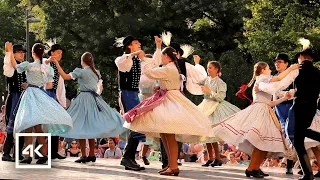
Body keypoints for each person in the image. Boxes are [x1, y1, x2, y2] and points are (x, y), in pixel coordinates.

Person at [123, 47, 214, 176]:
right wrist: (160, 86)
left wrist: (144, 59)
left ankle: (173, 166)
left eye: (162, 56)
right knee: (165, 135)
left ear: (167, 56)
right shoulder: (171, 68)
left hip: (170, 101)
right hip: (168, 98)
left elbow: (150, 73)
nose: (160, 58)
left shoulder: (169, 68)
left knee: (169, 136)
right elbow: (168, 81)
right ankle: (171, 165)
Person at [213, 61, 299, 178]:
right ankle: (251, 168)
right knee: (262, 143)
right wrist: (291, 69)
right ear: (263, 70)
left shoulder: (263, 82)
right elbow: (278, 80)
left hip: (265, 110)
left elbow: (270, 103)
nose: (270, 70)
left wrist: (284, 98)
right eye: (268, 68)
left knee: (264, 143)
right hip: (260, 112)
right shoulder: (262, 80)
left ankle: (254, 167)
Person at [256, 39, 320, 179]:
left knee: (295, 137)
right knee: (301, 134)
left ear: (300, 58)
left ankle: (308, 174)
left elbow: (280, 84)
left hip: (299, 107)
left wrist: (262, 86)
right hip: (311, 108)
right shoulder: (318, 72)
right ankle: (307, 174)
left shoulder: (297, 69)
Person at [51, 52, 126, 163]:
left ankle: (84, 155)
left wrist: (57, 64)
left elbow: (65, 76)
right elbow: (100, 87)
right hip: (94, 99)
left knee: (81, 126)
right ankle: (91, 155)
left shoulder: (80, 71)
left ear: (82, 61)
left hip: (83, 99)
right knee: (91, 127)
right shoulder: (96, 73)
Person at [6, 42, 73, 164]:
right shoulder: (48, 68)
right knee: (39, 127)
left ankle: (28, 155)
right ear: (43, 54)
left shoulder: (29, 65)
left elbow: (15, 66)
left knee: (28, 127)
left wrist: (10, 52)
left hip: (30, 94)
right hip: (41, 94)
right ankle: (42, 154)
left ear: (33, 53)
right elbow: (50, 84)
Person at [115, 35, 161, 171]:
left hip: (134, 94)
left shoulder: (137, 59)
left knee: (137, 125)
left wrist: (158, 47)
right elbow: (121, 62)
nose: (139, 43)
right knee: (135, 124)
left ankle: (128, 157)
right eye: (136, 42)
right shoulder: (124, 59)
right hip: (126, 93)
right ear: (129, 46)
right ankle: (127, 158)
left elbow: (155, 63)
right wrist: (135, 53)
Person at [194, 60, 240, 168]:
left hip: (215, 107)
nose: (208, 70)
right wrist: (197, 64)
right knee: (206, 134)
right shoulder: (207, 80)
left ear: (216, 69)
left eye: (210, 68)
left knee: (212, 134)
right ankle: (210, 158)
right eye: (207, 67)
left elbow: (220, 97)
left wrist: (209, 91)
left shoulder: (221, 83)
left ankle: (218, 158)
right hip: (205, 106)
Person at [2, 44, 27, 162]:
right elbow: (7, 65)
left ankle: (18, 153)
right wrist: (9, 52)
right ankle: (6, 153)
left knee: (22, 126)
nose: (22, 54)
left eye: (23, 52)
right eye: (19, 52)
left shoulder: (24, 67)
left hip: (23, 98)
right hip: (14, 98)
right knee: (12, 125)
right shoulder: (11, 67)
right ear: (14, 54)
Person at [45, 44, 68, 160]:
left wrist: (62, 103)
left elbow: (60, 86)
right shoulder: (45, 62)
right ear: (51, 53)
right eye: (58, 52)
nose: (60, 55)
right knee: (43, 126)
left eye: (61, 53)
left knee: (54, 125)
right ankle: (41, 153)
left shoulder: (58, 68)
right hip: (44, 94)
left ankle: (53, 151)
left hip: (54, 96)